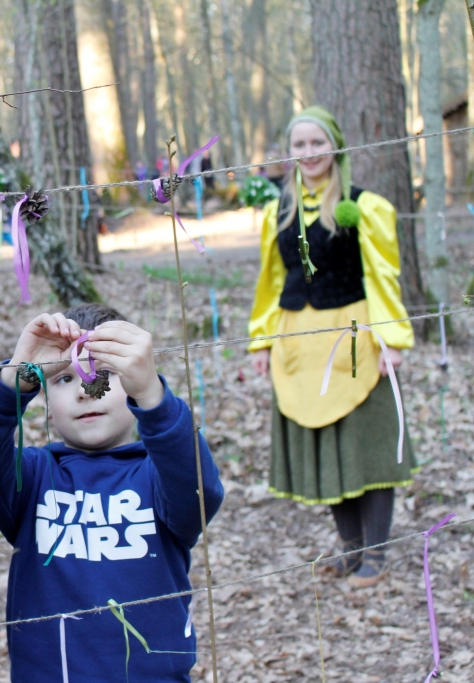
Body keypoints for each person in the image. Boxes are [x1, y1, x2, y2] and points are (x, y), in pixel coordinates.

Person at [0, 304, 224, 683]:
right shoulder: (31, 479)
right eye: (64, 379)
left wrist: (153, 395)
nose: (86, 389)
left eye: (106, 373)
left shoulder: (160, 477)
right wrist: (17, 379)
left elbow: (199, 489)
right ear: (45, 403)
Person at [248, 106, 416, 588]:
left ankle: (377, 553)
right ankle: (350, 548)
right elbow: (272, 279)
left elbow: (382, 278)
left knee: (365, 444)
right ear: (289, 153)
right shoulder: (276, 211)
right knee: (325, 443)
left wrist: (392, 339)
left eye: (316, 143)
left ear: (335, 146)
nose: (309, 153)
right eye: (299, 146)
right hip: (299, 342)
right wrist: (261, 339)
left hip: (354, 339)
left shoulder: (366, 206)